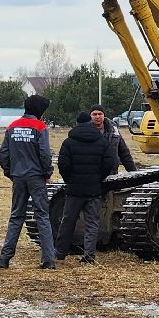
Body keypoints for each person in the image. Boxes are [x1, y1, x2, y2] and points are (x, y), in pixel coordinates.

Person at [0, 94, 56, 270]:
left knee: (16, 216)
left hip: (18, 177)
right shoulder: (40, 127)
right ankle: (48, 260)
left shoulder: (12, 127)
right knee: (42, 216)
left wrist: (9, 172)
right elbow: (44, 153)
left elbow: (4, 153)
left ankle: (4, 259)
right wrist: (47, 171)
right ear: (38, 110)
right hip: (36, 177)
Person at [55, 110, 116, 263]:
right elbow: (109, 163)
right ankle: (89, 255)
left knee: (67, 221)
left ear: (76, 123)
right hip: (93, 189)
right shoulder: (101, 141)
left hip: (74, 189)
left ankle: (60, 252)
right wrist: (98, 178)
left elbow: (63, 164)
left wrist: (69, 179)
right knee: (92, 223)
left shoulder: (68, 142)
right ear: (89, 123)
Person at [89, 106, 137, 173]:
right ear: (90, 116)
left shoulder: (113, 130)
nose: (97, 117)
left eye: (100, 114)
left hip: (112, 173)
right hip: (92, 174)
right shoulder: (85, 132)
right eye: (94, 114)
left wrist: (133, 172)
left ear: (104, 115)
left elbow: (124, 153)